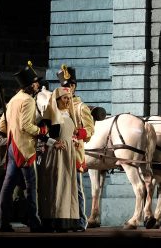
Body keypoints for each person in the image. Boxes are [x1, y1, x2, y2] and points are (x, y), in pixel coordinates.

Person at [0, 65, 49, 232]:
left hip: (12, 146)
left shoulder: (13, 100)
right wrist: (41, 131)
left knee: (7, 187)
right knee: (31, 187)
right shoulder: (28, 100)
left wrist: (14, 132)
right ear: (29, 85)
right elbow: (26, 125)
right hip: (24, 149)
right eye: (35, 82)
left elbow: (2, 125)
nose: (38, 85)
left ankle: (3, 223)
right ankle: (34, 223)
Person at [37, 82, 79, 232]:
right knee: (55, 184)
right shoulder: (49, 116)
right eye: (65, 98)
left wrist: (74, 140)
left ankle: (66, 219)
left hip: (68, 154)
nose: (68, 101)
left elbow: (70, 133)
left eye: (69, 98)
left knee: (67, 185)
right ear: (57, 99)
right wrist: (53, 142)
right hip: (55, 155)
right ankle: (52, 219)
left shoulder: (69, 115)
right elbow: (40, 134)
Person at [57, 64, 94, 231]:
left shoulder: (81, 107)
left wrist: (78, 133)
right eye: (65, 86)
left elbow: (90, 129)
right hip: (59, 150)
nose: (67, 88)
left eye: (70, 85)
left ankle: (80, 221)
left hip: (75, 151)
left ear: (74, 86)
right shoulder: (57, 106)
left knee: (76, 188)